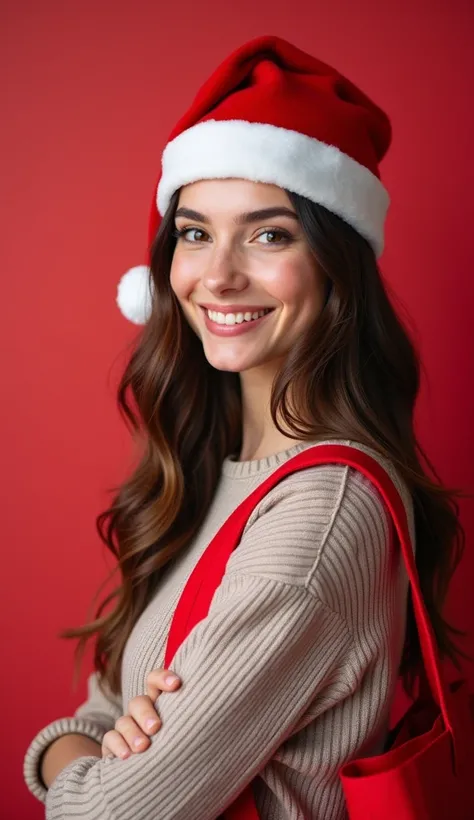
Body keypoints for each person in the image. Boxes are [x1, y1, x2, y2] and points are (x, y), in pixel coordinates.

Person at [23, 34, 466, 820]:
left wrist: (77, 761)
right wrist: (87, 748)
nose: (219, 274)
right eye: (195, 232)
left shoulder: (321, 516)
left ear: (337, 263)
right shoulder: (214, 472)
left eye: (269, 234)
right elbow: (101, 705)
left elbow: (107, 815)